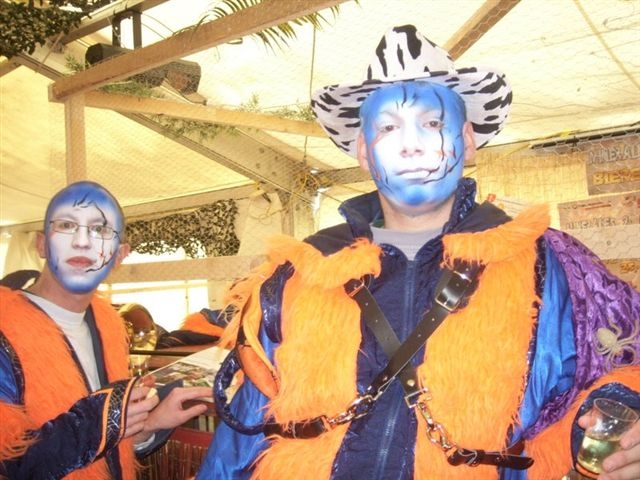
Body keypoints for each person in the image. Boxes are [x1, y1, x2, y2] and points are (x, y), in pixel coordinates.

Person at [197, 25, 640, 480]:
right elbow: (245, 429)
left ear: (467, 140)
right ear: (363, 151)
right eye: (388, 127)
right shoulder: (299, 273)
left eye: (432, 123)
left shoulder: (551, 266)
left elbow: (624, 368)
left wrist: (625, 414)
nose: (411, 144)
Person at [0, 180, 212, 479]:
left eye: (99, 229)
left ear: (119, 255)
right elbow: (9, 464)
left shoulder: (109, 325)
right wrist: (102, 419)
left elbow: (102, 451)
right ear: (42, 244)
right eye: (67, 225)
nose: (82, 242)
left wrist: (149, 424)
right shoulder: (5, 329)